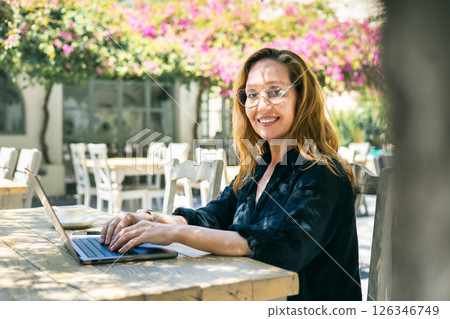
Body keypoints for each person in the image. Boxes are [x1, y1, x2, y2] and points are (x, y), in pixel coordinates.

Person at [100, 48, 362, 301]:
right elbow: (212, 217)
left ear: (301, 99)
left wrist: (175, 235)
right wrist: (151, 219)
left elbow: (285, 248)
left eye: (276, 92)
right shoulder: (259, 167)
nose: (262, 104)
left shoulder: (323, 171)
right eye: (252, 94)